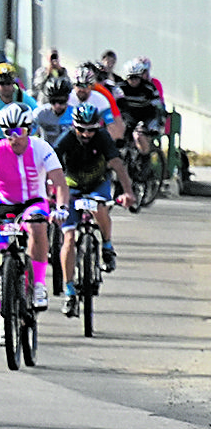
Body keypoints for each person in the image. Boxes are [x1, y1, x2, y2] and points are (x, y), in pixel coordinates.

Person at [0, 103, 64, 344]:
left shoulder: (42, 148)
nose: (13, 138)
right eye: (7, 132)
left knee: (35, 224)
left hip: (33, 202)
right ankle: (3, 315)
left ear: (29, 130)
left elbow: (59, 183)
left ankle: (39, 284)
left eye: (18, 132)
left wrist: (61, 208)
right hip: (3, 206)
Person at [53, 102, 134, 301]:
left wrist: (128, 192)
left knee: (99, 209)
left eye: (91, 130)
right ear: (74, 126)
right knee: (69, 238)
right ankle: (70, 289)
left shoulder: (103, 138)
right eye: (81, 130)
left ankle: (107, 245)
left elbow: (117, 165)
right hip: (72, 187)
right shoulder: (66, 139)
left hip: (97, 183)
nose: (87, 135)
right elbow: (51, 164)